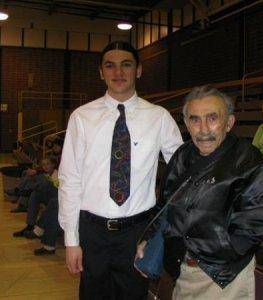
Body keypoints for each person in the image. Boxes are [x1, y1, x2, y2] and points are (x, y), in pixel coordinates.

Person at [58, 41, 183, 300]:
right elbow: (70, 179)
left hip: (137, 234)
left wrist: (161, 227)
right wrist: (72, 240)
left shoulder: (159, 117)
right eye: (110, 65)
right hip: (92, 232)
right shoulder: (81, 117)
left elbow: (182, 171)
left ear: (139, 70)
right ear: (100, 72)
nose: (118, 72)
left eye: (126, 65)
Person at [138, 86, 263, 299]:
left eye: (212, 118)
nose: (203, 129)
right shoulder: (183, 155)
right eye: (195, 120)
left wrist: (217, 252)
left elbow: (254, 223)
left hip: (223, 277)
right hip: (182, 270)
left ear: (229, 123)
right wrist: (150, 237)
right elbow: (166, 204)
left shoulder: (249, 160)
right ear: (186, 124)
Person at [13, 156, 59, 238]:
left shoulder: (57, 174)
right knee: (34, 194)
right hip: (48, 196)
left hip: (56, 199)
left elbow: (56, 190)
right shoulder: (45, 174)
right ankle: (30, 225)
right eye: (43, 165)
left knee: (45, 182)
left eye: (48, 164)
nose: (45, 166)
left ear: (53, 165)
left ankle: (24, 191)